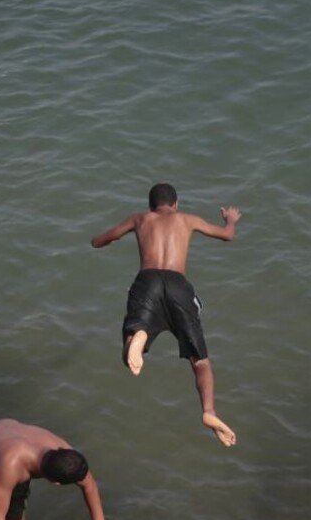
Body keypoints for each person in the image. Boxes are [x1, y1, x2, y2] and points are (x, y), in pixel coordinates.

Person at [91, 183, 241, 447]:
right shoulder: (188, 219)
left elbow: (99, 241)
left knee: (129, 351)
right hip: (178, 285)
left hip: (147, 283)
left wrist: (104, 239)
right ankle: (208, 411)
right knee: (201, 363)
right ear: (176, 204)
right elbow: (227, 235)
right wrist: (230, 219)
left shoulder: (140, 218)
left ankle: (139, 335)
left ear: (150, 206)